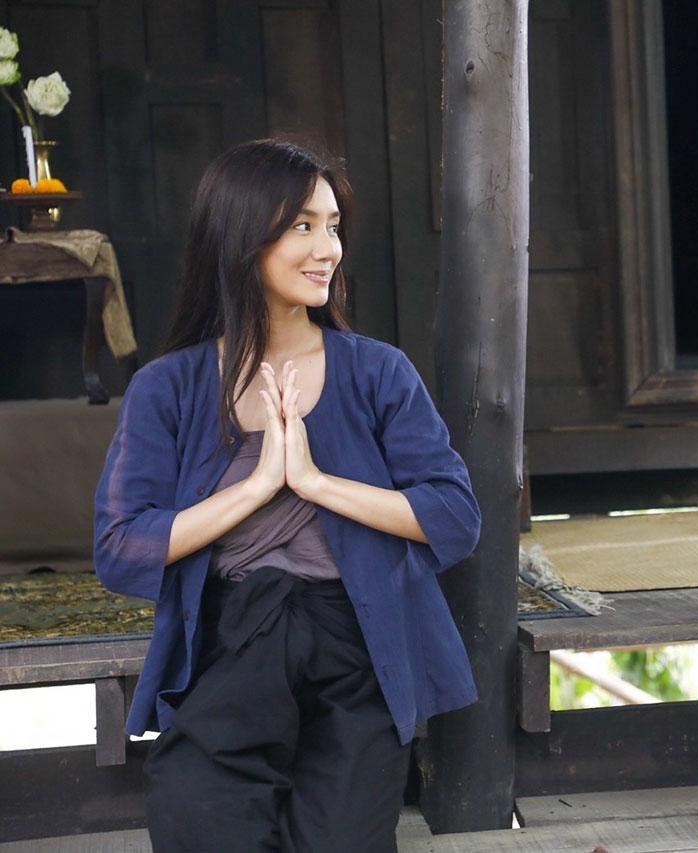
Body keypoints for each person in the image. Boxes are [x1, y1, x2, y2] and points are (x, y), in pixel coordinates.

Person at [94, 139, 481, 852]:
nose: (327, 248)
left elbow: (455, 516)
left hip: (355, 643)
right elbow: (121, 547)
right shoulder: (169, 387)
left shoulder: (378, 372)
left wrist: (315, 482)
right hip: (234, 639)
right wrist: (259, 485)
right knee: (198, 820)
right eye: (303, 225)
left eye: (332, 226)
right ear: (243, 235)